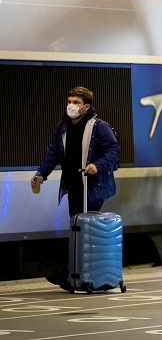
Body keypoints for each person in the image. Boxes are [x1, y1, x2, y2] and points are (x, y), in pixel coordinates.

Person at [31, 86, 121, 288]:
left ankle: (76, 274)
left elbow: (114, 151)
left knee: (82, 228)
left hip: (93, 185)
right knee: (77, 227)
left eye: (76, 103)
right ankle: (77, 274)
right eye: (70, 101)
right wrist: (41, 173)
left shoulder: (99, 126)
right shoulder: (62, 127)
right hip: (73, 184)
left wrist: (97, 166)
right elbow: (53, 152)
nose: (71, 106)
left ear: (86, 106)